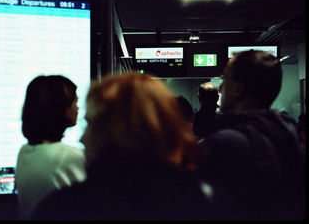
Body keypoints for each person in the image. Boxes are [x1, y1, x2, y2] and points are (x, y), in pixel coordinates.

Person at [32, 72, 240, 220]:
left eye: (90, 125)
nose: (82, 138)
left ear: (117, 132)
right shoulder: (210, 202)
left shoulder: (64, 208)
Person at [198, 50, 305, 220]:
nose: (221, 87)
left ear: (238, 89)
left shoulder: (222, 145)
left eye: (225, 79)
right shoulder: (290, 135)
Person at [15, 75, 87, 219]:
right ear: (62, 107)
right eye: (75, 102)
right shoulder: (68, 157)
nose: (78, 108)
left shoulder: (24, 152)